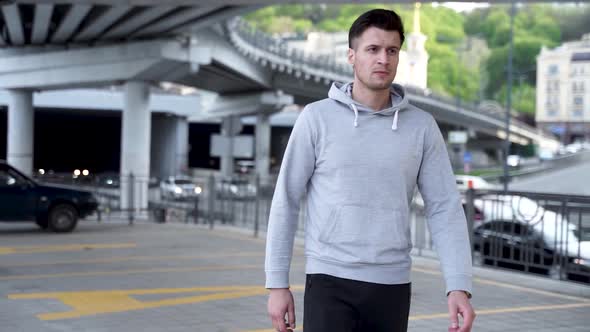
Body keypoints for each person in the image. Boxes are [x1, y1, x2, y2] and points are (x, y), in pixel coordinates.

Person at [265, 8, 475, 332]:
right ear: (351, 56)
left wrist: (458, 284)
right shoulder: (315, 118)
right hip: (328, 280)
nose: (383, 59)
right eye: (372, 49)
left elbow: (444, 207)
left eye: (392, 50)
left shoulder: (422, 127)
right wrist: (277, 284)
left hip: (391, 284)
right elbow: (287, 200)